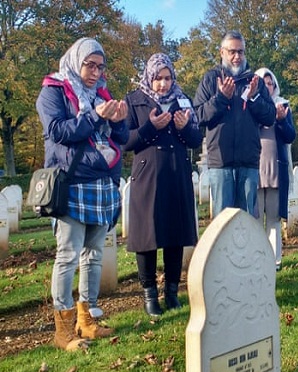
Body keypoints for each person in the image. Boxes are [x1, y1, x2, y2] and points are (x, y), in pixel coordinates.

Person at [36, 37, 128, 351]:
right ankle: (63, 331)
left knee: (94, 254)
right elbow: (57, 131)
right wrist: (95, 116)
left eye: (101, 67)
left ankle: (86, 319)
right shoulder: (53, 90)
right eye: (90, 65)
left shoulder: (102, 94)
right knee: (68, 255)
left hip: (101, 182)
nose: (96, 72)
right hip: (72, 181)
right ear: (76, 61)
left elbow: (120, 138)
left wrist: (119, 120)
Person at [124, 53, 203, 317]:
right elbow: (124, 141)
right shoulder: (134, 100)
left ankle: (171, 292)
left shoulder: (182, 100)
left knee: (175, 234)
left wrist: (184, 127)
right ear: (149, 77)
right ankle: (149, 294)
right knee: (147, 236)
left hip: (176, 173)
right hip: (148, 175)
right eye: (158, 78)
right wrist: (150, 127)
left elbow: (195, 140)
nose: (163, 84)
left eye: (168, 78)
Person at [193, 31, 276, 218]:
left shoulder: (255, 82)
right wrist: (221, 98)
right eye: (232, 52)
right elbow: (197, 116)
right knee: (223, 223)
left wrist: (254, 97)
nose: (237, 57)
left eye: (241, 52)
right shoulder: (211, 79)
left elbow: (270, 117)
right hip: (220, 163)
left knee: (247, 222)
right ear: (222, 52)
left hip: (248, 163)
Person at [254, 67, 297, 268]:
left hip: (276, 170)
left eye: (270, 83)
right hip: (254, 170)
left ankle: (274, 261)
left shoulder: (283, 105)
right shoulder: (250, 105)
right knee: (255, 219)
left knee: (273, 218)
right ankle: (256, 259)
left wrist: (281, 121)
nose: (268, 87)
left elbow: (290, 136)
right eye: (263, 83)